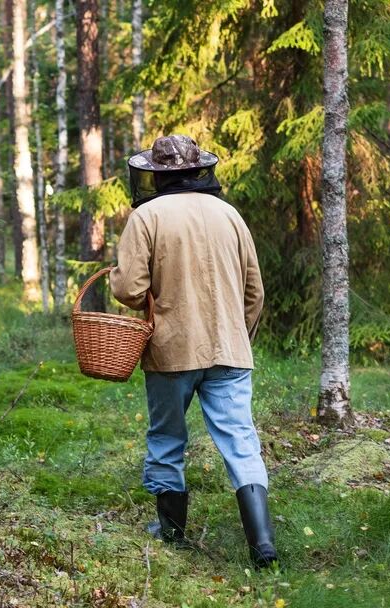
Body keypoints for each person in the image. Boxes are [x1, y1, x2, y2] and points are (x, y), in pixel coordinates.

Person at [110, 135, 277, 568]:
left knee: (167, 438)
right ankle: (262, 545)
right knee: (242, 442)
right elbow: (254, 291)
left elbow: (129, 290)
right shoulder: (230, 215)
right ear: (197, 168)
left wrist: (116, 278)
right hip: (230, 349)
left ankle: (171, 534)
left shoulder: (146, 216)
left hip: (171, 351)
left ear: (156, 173)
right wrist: (239, 337)